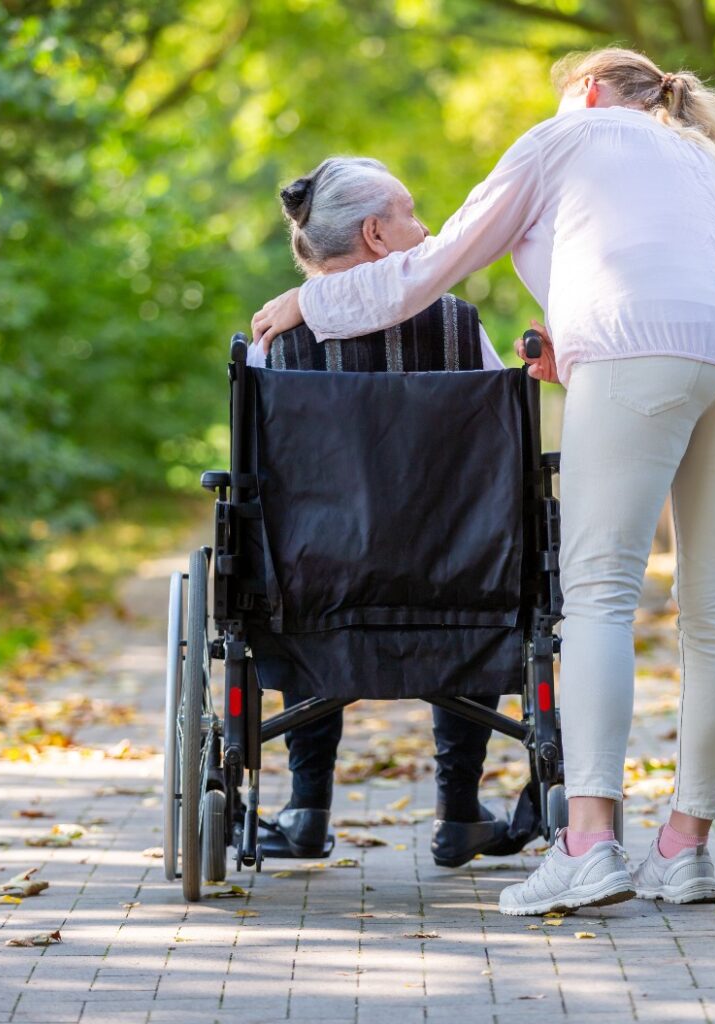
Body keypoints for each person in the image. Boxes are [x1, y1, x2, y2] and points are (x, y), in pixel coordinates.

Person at [251, 48, 715, 916]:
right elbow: (681, 298)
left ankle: (587, 846)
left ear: (584, 92)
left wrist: (305, 306)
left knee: (600, 596)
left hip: (640, 355)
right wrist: (575, 357)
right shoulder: (706, 161)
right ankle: (686, 849)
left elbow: (427, 273)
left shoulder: (562, 137)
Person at [248, 156, 533, 869]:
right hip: (460, 585)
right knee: (469, 537)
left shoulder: (276, 341)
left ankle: (305, 810)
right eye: (411, 214)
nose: (428, 227)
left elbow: (262, 483)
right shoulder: (463, 330)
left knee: (297, 543)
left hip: (315, 589)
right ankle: (460, 811)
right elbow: (504, 462)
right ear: (376, 236)